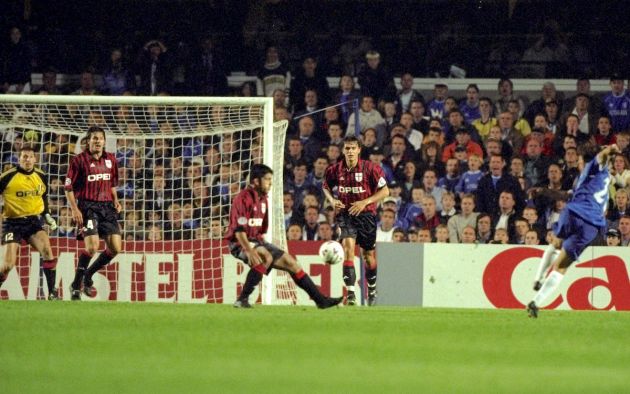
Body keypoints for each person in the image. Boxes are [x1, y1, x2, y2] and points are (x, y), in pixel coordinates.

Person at [227, 164, 341, 309]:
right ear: (256, 181)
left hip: (257, 241)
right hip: (239, 242)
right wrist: (249, 250)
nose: (270, 183)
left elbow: (260, 230)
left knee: (291, 263)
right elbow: (238, 230)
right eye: (267, 179)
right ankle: (242, 299)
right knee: (265, 256)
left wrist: (259, 244)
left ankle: (321, 301)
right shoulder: (243, 198)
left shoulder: (263, 200)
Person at [527, 144, 619, 318]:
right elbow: (569, 195)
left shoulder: (593, 166)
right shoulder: (600, 179)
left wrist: (612, 148)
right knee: (561, 267)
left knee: (556, 244)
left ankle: (537, 279)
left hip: (575, 213)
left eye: (579, 160)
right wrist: (545, 191)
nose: (578, 163)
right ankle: (536, 302)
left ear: (583, 161)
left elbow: (603, 155)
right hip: (592, 226)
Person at [323, 135, 390, 306]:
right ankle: (351, 294)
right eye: (347, 148)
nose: (350, 151)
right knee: (348, 248)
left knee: (368, 256)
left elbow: (385, 192)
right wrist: (332, 200)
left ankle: (372, 290)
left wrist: (365, 202)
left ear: (359, 150)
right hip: (346, 215)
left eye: (353, 148)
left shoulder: (371, 168)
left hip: (367, 215)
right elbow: (325, 186)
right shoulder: (335, 170)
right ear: (343, 150)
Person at [65, 127, 123, 300]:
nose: (97, 141)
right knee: (92, 247)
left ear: (104, 141)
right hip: (88, 207)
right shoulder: (78, 161)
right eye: (94, 138)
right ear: (88, 141)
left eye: (100, 138)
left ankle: (88, 275)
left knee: (115, 248)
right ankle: (76, 285)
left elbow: (112, 183)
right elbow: (68, 187)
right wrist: (75, 209)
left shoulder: (111, 159)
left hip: (107, 207)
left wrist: (116, 199)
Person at [0, 145, 59, 299]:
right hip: (12, 222)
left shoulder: (41, 175)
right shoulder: (7, 176)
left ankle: (52, 292)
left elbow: (43, 196)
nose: (27, 159)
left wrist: (47, 215)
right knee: (8, 265)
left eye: (30, 156)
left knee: (47, 250)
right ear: (19, 158)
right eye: (24, 156)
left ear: (35, 158)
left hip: (33, 222)